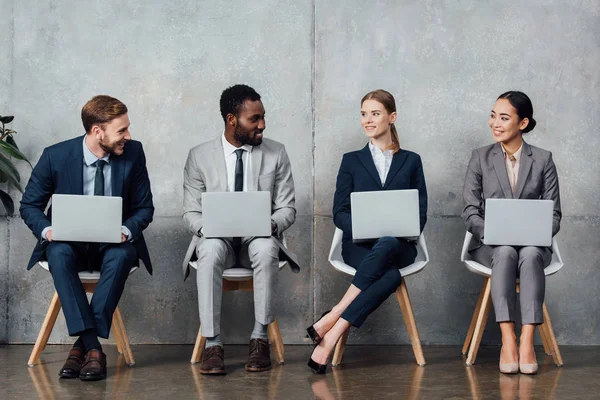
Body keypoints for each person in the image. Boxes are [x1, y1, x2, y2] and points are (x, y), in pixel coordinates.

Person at [20, 95, 154, 381]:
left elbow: (145, 208)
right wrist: (48, 230)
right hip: (69, 242)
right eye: (122, 130)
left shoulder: (133, 153)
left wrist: (125, 231)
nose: (128, 136)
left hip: (114, 244)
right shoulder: (55, 156)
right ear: (97, 131)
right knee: (57, 253)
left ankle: (81, 349)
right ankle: (93, 348)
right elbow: (29, 205)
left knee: (122, 255)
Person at [307, 89, 427, 374]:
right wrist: (363, 227)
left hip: (399, 245)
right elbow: (339, 212)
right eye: (364, 114)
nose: (368, 120)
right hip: (358, 245)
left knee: (387, 243)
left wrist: (396, 229)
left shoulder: (411, 160)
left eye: (375, 113)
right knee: (390, 276)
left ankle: (332, 317)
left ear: (392, 117)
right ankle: (331, 337)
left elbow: (420, 213)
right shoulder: (351, 160)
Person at [182, 84, 297, 375]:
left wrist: (270, 223)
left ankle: (260, 339)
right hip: (216, 238)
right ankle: (213, 343)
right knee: (207, 248)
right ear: (232, 120)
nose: (262, 124)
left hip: (256, 239)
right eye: (254, 119)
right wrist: (209, 227)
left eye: (263, 117)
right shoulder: (199, 156)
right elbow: (190, 212)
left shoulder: (276, 153)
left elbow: (287, 208)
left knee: (267, 246)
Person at [462, 91, 561, 375]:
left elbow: (554, 214)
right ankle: (508, 339)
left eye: (504, 117)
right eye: (493, 115)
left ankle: (527, 340)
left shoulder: (543, 160)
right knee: (505, 252)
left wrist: (534, 234)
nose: (495, 123)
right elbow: (470, 211)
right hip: (492, 244)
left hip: (532, 244)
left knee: (529, 255)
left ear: (523, 123)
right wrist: (494, 231)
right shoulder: (480, 157)